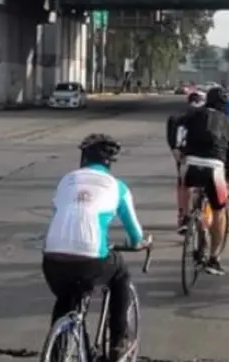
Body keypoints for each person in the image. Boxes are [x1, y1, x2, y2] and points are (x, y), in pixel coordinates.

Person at [42, 133, 151, 362]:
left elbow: (61, 215)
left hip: (52, 258)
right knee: (120, 273)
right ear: (109, 163)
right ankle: (118, 343)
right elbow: (135, 233)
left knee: (66, 298)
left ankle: (58, 351)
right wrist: (138, 244)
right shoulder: (117, 187)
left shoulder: (66, 180)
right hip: (91, 259)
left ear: (83, 159)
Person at [175, 87, 229, 275]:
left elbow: (177, 125)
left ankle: (186, 217)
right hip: (215, 168)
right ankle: (214, 259)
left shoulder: (192, 115)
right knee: (219, 211)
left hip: (191, 163)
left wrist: (179, 148)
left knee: (183, 182)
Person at [167, 91, 206, 231]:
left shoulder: (176, 118)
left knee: (183, 184)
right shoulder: (206, 118)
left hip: (182, 156)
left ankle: (183, 216)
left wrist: (175, 153)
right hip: (201, 156)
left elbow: (171, 140)